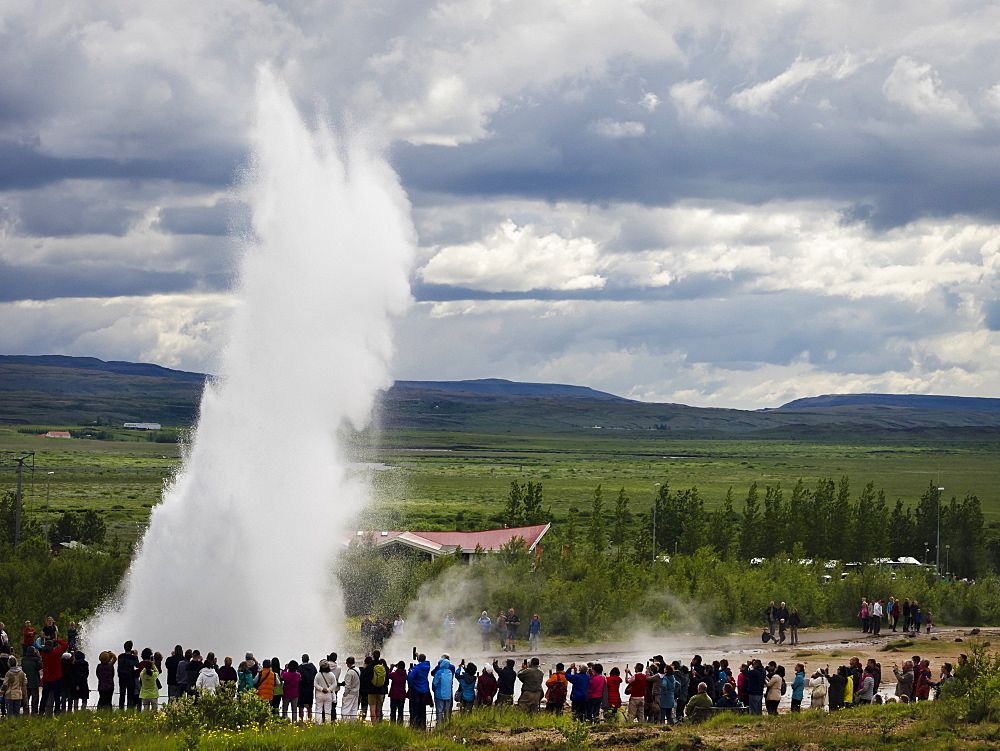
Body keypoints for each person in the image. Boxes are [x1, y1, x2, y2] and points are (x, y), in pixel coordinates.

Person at [40, 638, 69, 716]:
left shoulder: (43, 653)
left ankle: (41, 711)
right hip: (56, 678)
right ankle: (57, 711)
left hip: (46, 678)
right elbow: (65, 645)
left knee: (44, 697)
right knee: (57, 697)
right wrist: (57, 640)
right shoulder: (55, 653)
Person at [407, 653, 431, 730]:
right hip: (424, 689)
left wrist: (410, 685)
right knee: (422, 708)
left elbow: (410, 677)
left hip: (416, 689)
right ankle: (422, 725)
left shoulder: (416, 668)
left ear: (418, 660)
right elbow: (422, 660)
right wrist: (418, 656)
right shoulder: (427, 666)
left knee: (415, 708)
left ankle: (415, 725)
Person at [431, 654, 456, 723]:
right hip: (448, 694)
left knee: (439, 710)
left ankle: (439, 724)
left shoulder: (439, 672)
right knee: (447, 710)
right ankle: (447, 723)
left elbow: (434, 683)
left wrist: (434, 691)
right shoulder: (450, 671)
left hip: (440, 694)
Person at [117, 641, 139, 709]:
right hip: (130, 678)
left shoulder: (120, 657)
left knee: (122, 694)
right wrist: (135, 656)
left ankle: (121, 709)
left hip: (122, 678)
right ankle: (130, 710)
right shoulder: (132, 658)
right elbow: (137, 665)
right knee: (130, 696)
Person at [368, 650, 388, 723]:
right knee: (378, 710)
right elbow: (386, 680)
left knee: (372, 709)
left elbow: (367, 678)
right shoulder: (383, 666)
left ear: (373, 656)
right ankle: (378, 724)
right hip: (381, 691)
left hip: (372, 691)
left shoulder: (370, 666)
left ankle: (374, 724)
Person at [341, 656, 361, 721]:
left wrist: (345, 694)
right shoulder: (357, 669)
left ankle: (344, 721)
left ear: (348, 663)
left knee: (345, 708)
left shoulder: (349, 673)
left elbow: (348, 685)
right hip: (356, 692)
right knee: (354, 709)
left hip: (350, 693)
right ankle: (353, 721)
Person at [297, 654, 316, 721]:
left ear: (302, 659)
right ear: (308, 659)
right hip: (310, 689)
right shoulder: (313, 668)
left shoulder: (299, 668)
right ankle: (310, 720)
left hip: (301, 690)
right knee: (309, 706)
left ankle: (301, 720)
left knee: (301, 707)